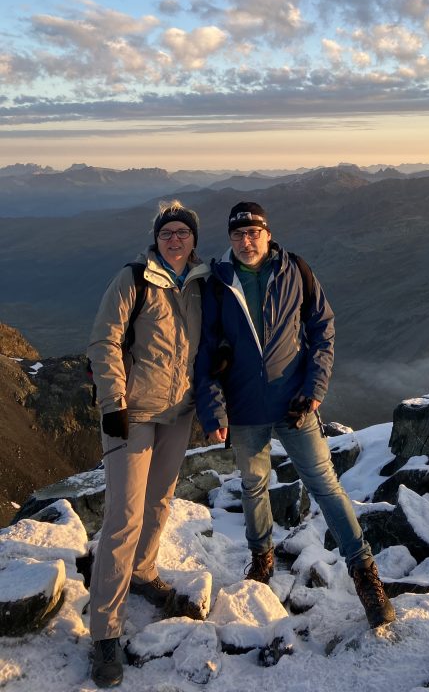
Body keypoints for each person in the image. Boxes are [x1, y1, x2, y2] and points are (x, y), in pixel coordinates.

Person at [194, 201, 395, 629]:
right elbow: (206, 353)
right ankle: (262, 559)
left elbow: (323, 327)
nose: (246, 242)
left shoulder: (295, 270)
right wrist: (213, 411)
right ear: (229, 239)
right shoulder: (217, 282)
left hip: (294, 404)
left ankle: (365, 573)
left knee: (325, 486)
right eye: (238, 234)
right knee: (253, 486)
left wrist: (315, 388)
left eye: (253, 233)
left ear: (267, 234)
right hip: (244, 408)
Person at [86, 201, 210, 688]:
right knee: (124, 516)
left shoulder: (201, 283)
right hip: (132, 413)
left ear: (193, 239)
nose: (174, 239)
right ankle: (105, 632)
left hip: (178, 412)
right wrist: (112, 403)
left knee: (160, 500)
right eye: (167, 233)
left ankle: (142, 570)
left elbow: (211, 343)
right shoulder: (133, 279)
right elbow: (104, 340)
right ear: (156, 239)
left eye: (182, 232)